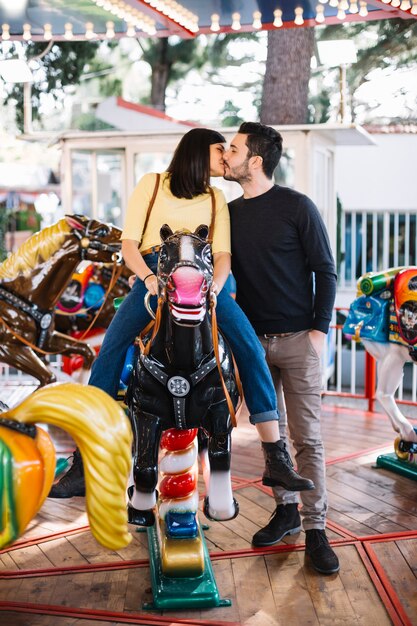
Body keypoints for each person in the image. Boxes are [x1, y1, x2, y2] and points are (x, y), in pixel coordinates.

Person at [49, 127, 313, 499]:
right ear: (196, 151)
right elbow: (129, 244)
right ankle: (85, 461)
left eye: (229, 150)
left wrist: (217, 286)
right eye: (219, 149)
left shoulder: (215, 197)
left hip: (203, 279)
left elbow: (222, 254)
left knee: (249, 346)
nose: (224, 156)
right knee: (110, 350)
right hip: (155, 274)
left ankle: (276, 457)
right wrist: (149, 278)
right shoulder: (153, 184)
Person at [223, 122, 339, 575]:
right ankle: (286, 511)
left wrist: (319, 332)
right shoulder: (229, 215)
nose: (225, 155)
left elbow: (325, 271)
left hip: (297, 341)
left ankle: (316, 530)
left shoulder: (297, 207)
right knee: (274, 442)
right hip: (251, 345)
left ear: (255, 160)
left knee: (306, 439)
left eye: (233, 149)